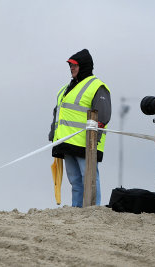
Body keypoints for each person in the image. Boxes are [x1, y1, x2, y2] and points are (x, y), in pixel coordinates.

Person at [48, 49, 112, 207]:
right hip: (67, 142)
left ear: (83, 66)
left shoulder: (97, 86)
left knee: (89, 179)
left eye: (74, 65)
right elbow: (58, 112)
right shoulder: (65, 89)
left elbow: (103, 116)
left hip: (86, 144)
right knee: (75, 181)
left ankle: (93, 210)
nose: (71, 68)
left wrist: (93, 141)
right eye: (70, 65)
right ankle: (77, 212)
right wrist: (53, 134)